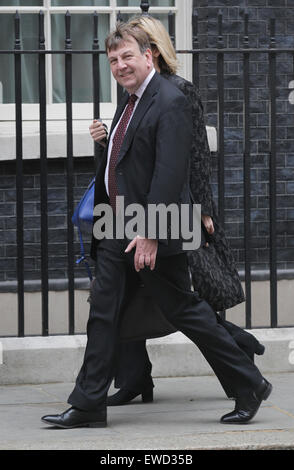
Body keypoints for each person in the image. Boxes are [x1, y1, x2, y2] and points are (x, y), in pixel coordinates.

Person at [41, 22, 271, 429]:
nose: (120, 65)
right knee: (104, 309)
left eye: (127, 56)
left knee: (182, 307)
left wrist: (150, 232)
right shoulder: (131, 99)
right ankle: (90, 402)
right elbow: (130, 157)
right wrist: (104, 142)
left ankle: (248, 382)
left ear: (149, 56)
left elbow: (171, 170)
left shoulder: (171, 98)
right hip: (116, 219)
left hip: (155, 221)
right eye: (113, 60)